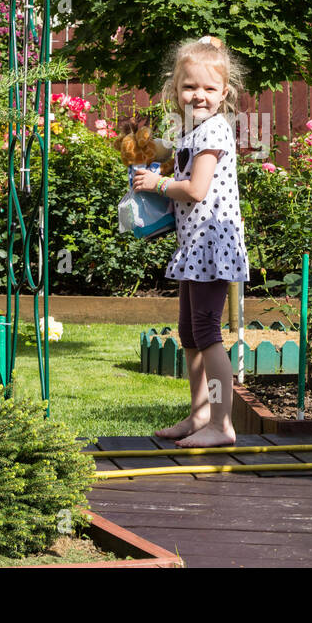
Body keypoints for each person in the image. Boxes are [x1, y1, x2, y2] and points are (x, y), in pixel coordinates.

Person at [132, 35, 248, 447]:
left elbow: (196, 189)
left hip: (213, 244)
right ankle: (200, 414)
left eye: (209, 88)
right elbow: (178, 153)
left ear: (224, 93)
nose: (198, 95)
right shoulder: (192, 129)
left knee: (207, 331)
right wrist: (151, 148)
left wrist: (158, 182)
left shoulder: (214, 130)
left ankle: (222, 424)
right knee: (188, 332)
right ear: (175, 89)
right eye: (190, 87)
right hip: (196, 244)